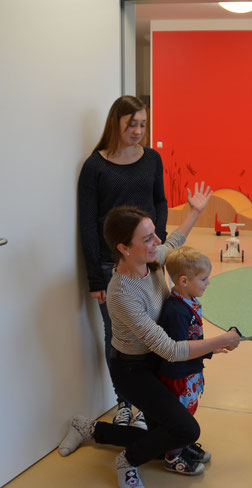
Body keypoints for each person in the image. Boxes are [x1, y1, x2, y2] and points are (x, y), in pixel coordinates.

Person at [59, 192, 242, 488]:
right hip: (133, 370)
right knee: (185, 429)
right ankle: (127, 461)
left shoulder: (152, 260)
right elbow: (169, 348)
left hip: (155, 361)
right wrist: (216, 341)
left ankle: (89, 428)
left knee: (164, 438)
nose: (156, 241)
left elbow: (175, 242)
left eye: (153, 234)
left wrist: (195, 211)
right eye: (147, 238)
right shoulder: (121, 294)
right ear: (123, 248)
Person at [78, 95, 168, 428]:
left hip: (149, 261)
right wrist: (94, 278)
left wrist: (154, 241)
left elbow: (160, 201)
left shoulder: (152, 159)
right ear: (116, 122)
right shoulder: (95, 166)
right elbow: (88, 223)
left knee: (153, 330)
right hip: (110, 265)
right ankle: (124, 402)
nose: (139, 131)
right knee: (116, 335)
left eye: (143, 125)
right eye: (133, 125)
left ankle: (148, 402)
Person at [157, 246, 214, 470]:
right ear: (183, 281)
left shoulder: (187, 301)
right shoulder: (176, 312)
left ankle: (184, 443)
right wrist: (210, 348)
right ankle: (173, 455)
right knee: (181, 415)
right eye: (203, 278)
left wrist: (210, 349)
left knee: (189, 410)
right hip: (179, 376)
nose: (208, 283)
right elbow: (181, 349)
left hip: (189, 370)